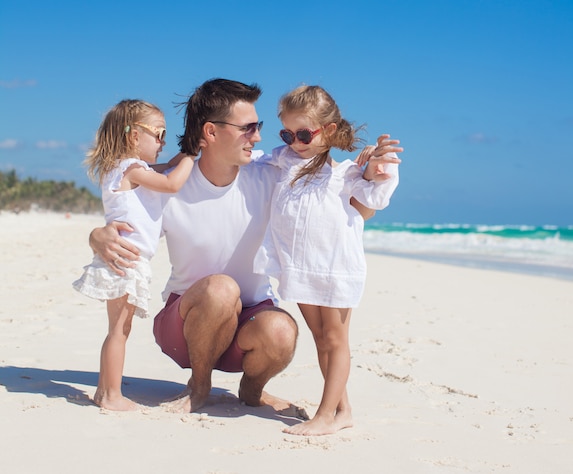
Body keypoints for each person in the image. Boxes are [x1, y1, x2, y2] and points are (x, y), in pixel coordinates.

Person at [88, 79, 403, 417]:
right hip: (185, 326)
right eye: (248, 128)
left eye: (260, 128)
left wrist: (372, 173)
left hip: (249, 324)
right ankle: (200, 385)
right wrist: (96, 235)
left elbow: (346, 202)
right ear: (210, 132)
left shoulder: (272, 175)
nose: (257, 137)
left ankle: (252, 391)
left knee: (282, 330)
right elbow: (124, 213)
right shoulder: (169, 184)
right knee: (221, 288)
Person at [254, 85, 400, 436]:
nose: (295, 141)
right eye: (287, 133)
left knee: (336, 340)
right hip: (300, 267)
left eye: (303, 133)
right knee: (321, 340)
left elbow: (374, 195)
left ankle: (324, 415)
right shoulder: (283, 161)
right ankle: (343, 409)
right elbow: (248, 160)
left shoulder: (347, 174)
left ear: (329, 131)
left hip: (335, 268)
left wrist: (379, 165)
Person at [73, 99, 195, 411]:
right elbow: (170, 182)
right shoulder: (132, 168)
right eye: (159, 134)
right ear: (133, 136)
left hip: (122, 258)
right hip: (126, 260)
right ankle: (112, 396)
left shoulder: (120, 169)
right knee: (119, 331)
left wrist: (186, 150)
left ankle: (104, 391)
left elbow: (165, 168)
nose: (163, 142)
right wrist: (192, 157)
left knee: (117, 329)